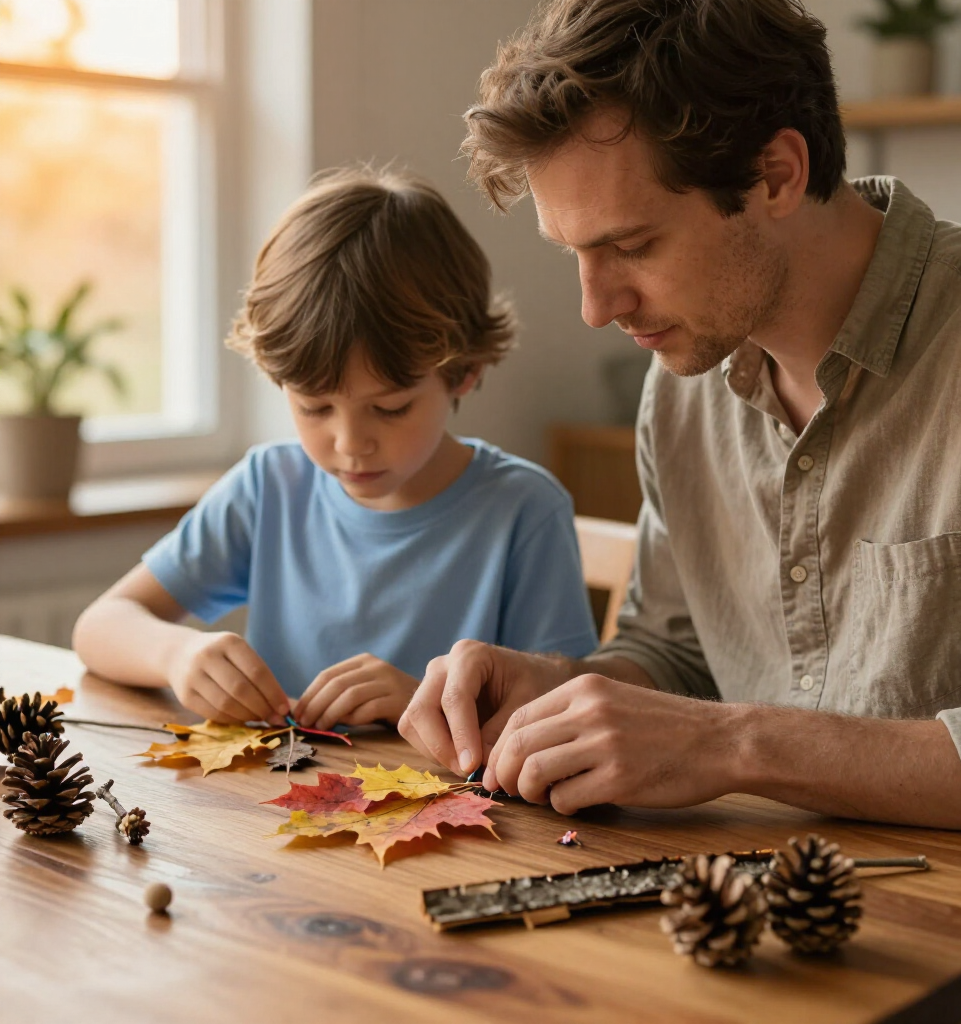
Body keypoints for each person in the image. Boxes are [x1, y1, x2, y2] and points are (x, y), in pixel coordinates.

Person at [398, 0, 961, 841]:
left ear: (775, 175)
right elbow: (678, 654)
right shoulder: (683, 381)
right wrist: (557, 688)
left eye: (632, 245)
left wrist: (738, 743)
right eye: (573, 254)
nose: (595, 307)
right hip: (743, 908)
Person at [72, 167, 598, 731]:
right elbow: (99, 625)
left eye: (391, 408)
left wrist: (423, 703)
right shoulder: (269, 487)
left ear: (463, 372)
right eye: (314, 408)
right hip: (269, 808)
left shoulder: (522, 509)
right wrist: (175, 655)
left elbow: (564, 710)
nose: (350, 444)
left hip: (445, 811)